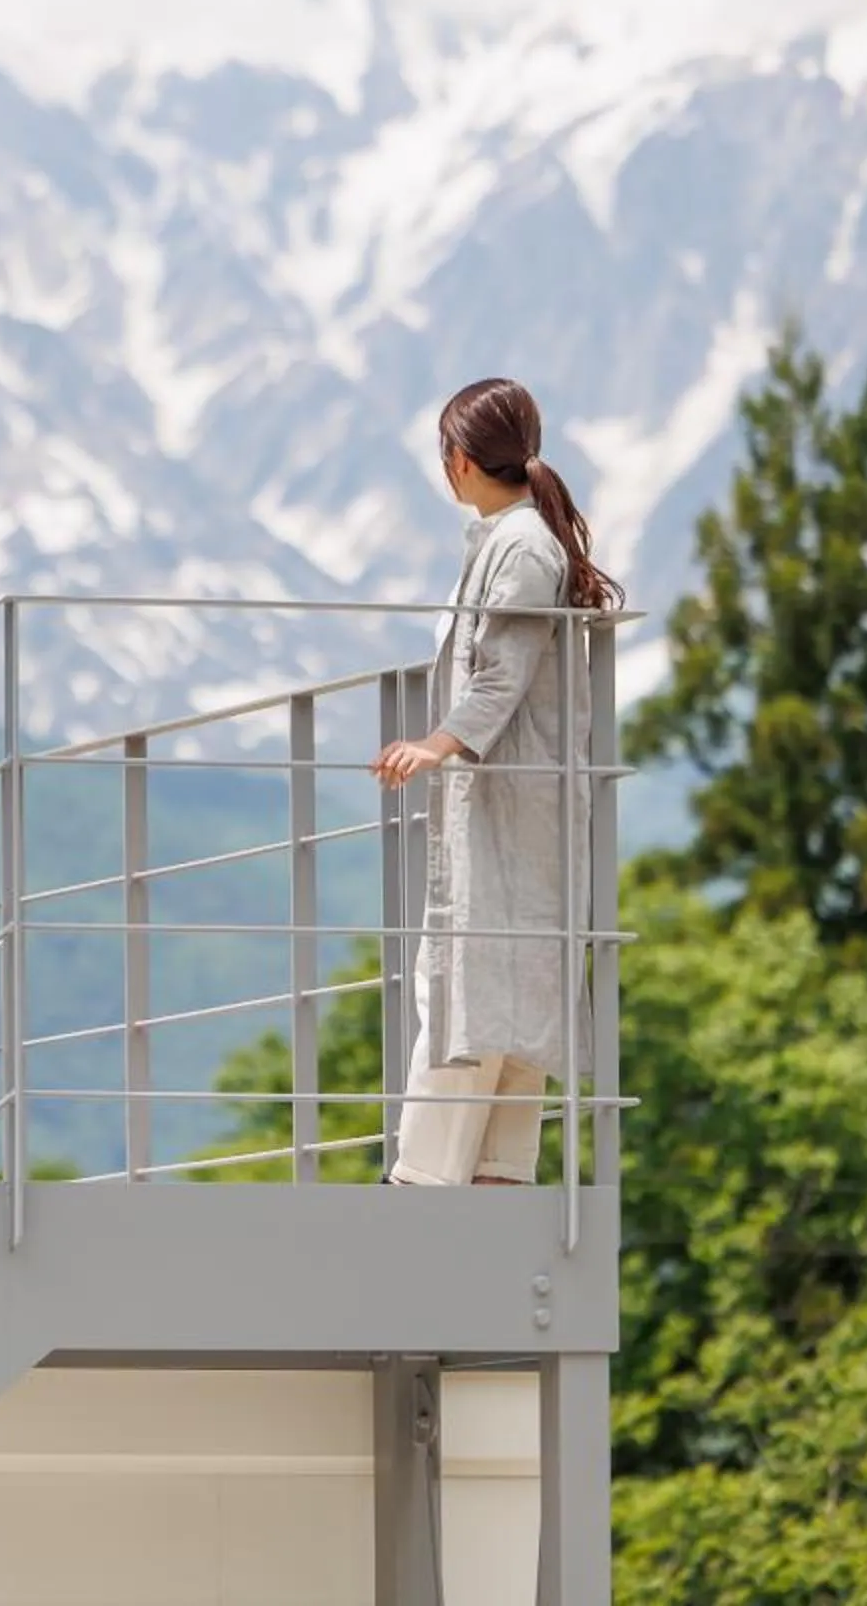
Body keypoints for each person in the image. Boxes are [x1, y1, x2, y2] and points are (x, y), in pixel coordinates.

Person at [373, 379, 623, 1188]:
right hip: (515, 801)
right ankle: (496, 1178)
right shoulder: (519, 538)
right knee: (506, 985)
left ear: (459, 459)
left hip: (511, 801)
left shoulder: (520, 546)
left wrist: (435, 745)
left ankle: (422, 1181)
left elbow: (500, 674)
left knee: (469, 986)